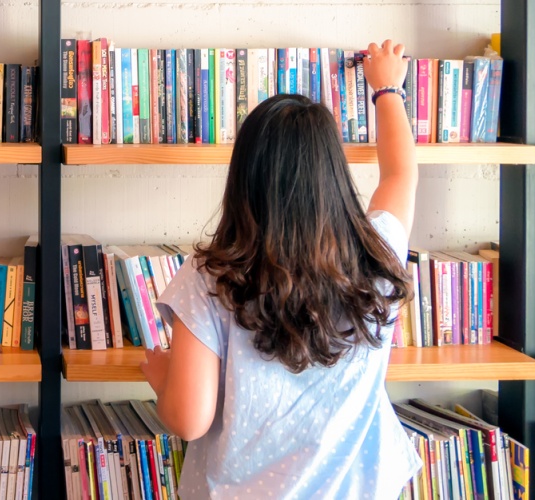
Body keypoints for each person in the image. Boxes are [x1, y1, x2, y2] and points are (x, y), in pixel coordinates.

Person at [139, 40, 421, 499]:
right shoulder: (378, 256)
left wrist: (162, 376)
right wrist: (387, 90)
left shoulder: (211, 277)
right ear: (333, 173)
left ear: (244, 178)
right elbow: (400, 175)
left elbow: (189, 419)